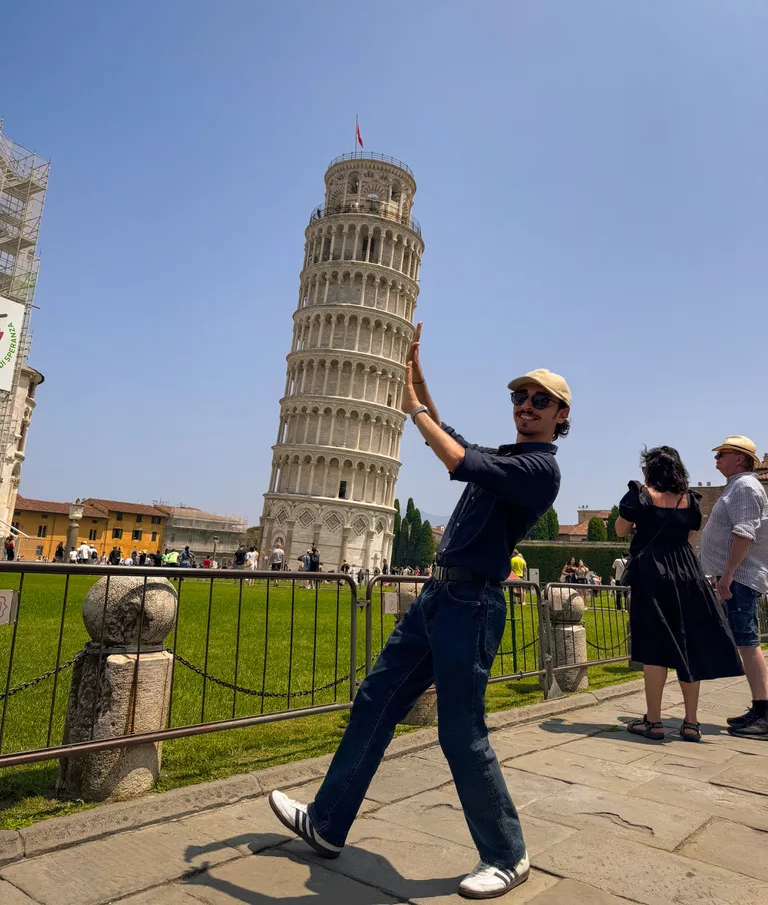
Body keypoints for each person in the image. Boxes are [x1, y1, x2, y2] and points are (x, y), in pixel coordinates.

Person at [268, 322, 570, 900]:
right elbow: (453, 438)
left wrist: (413, 409)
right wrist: (420, 385)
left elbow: (456, 457)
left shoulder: (539, 471)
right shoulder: (507, 457)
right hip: (437, 599)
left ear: (560, 416)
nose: (525, 406)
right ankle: (329, 824)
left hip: (473, 605)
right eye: (518, 397)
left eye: (540, 401)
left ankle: (508, 854)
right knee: (375, 700)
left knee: (461, 732)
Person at [616, 446, 743, 743]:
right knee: (689, 644)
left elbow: (621, 530)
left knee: (653, 648)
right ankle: (691, 723)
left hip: (651, 575)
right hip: (688, 573)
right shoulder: (690, 499)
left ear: (650, 469)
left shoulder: (639, 494)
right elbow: (687, 536)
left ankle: (655, 722)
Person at [700, 436, 768, 740]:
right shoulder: (740, 486)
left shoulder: (744, 487)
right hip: (737, 577)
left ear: (739, 458)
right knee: (746, 642)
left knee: (749, 643)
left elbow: (744, 534)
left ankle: (765, 714)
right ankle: (759, 708)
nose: (716, 459)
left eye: (721, 454)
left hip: (740, 578)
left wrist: (727, 575)